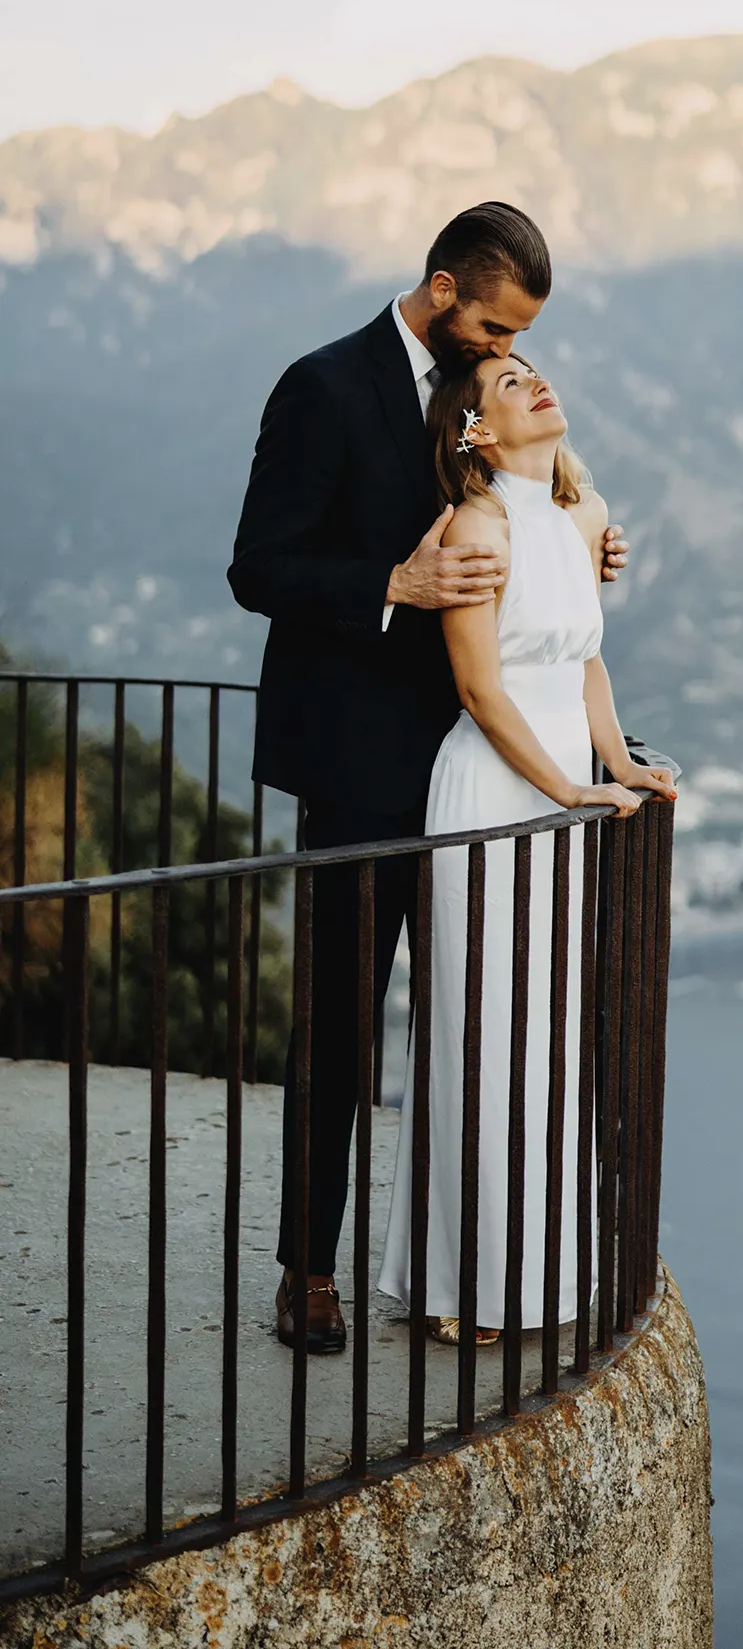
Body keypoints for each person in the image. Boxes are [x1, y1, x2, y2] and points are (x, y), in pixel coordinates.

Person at [228, 201, 628, 1353]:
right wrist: (389, 585)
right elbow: (258, 566)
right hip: (361, 759)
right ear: (443, 289)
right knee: (342, 1018)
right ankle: (309, 1272)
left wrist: (577, 550)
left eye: (522, 336)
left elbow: (520, 520)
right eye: (496, 327)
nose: (507, 349)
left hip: (482, 762)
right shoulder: (323, 386)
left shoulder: (482, 395)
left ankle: (482, 1265)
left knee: (481, 1021)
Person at [379, 352, 674, 1338]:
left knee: (549, 1028)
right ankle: (467, 1288)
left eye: (534, 371)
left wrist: (616, 761)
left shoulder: (585, 516)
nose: (533, 382)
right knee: (483, 1026)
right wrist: (569, 787)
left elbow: (585, 659)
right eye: (506, 383)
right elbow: (479, 689)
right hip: (490, 792)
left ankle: (542, 1278)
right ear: (475, 431)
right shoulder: (476, 527)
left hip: (561, 785)